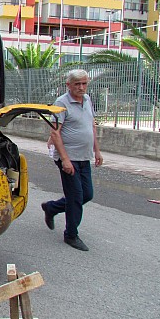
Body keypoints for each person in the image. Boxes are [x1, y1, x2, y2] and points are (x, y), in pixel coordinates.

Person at [42, 69, 103, 251]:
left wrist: (97, 151)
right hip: (68, 158)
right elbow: (55, 132)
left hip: (84, 157)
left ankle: (52, 207)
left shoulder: (87, 99)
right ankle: (71, 234)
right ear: (68, 85)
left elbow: (91, 124)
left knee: (87, 194)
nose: (81, 87)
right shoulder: (61, 103)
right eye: (77, 84)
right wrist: (65, 159)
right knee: (76, 196)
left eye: (84, 83)